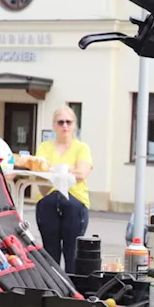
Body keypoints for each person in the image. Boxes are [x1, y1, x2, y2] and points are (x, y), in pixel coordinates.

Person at [33, 106, 93, 273]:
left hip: (75, 200)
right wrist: (69, 169)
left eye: (69, 122)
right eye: (61, 122)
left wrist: (55, 170)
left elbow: (82, 173)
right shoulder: (45, 147)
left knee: (72, 252)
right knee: (50, 253)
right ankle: (53, 290)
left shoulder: (82, 148)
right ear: (54, 125)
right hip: (48, 199)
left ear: (74, 125)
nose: (65, 126)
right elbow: (39, 172)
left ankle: (72, 292)